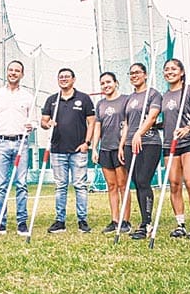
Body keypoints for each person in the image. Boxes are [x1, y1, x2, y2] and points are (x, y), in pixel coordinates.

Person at [0, 60, 35, 236]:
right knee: (2, 185)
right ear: (7, 72)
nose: (13, 73)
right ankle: (0, 222)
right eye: (11, 70)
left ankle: (21, 222)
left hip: (21, 142)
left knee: (21, 184)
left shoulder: (28, 97)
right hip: (1, 143)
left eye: (17, 71)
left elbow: (33, 120)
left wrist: (31, 125)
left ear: (22, 74)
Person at [41, 68, 96, 234]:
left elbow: (92, 122)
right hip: (58, 150)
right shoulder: (52, 100)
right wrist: (47, 124)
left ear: (73, 79)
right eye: (61, 77)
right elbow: (43, 121)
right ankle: (60, 221)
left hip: (78, 149)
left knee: (80, 186)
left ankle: (82, 220)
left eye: (67, 77)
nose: (63, 79)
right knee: (60, 186)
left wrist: (87, 143)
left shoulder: (83, 99)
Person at [118, 63, 162, 240]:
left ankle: (147, 223)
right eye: (131, 73)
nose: (134, 75)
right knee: (136, 182)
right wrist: (122, 144)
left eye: (137, 72)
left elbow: (152, 117)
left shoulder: (153, 94)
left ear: (145, 74)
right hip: (130, 144)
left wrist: (139, 133)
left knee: (144, 180)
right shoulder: (129, 98)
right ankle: (144, 220)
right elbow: (126, 123)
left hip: (149, 143)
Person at [160, 59, 190, 238]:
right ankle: (180, 224)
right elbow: (164, 120)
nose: (169, 72)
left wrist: (188, 128)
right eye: (166, 69)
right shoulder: (163, 96)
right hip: (170, 143)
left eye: (173, 69)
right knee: (174, 183)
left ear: (182, 72)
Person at [91, 72, 132, 234]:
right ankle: (115, 220)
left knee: (123, 185)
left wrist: (122, 145)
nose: (105, 85)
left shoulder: (125, 100)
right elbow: (97, 127)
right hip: (105, 149)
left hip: (119, 149)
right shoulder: (100, 104)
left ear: (116, 83)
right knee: (112, 186)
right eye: (102, 83)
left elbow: (128, 124)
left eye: (108, 82)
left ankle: (125, 221)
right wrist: (95, 148)